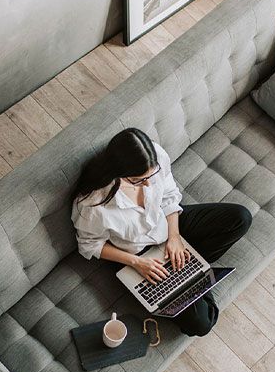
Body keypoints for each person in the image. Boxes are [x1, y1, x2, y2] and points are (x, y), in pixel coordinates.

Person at [71, 127, 252, 337]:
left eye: (151, 175)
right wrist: (136, 263)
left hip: (168, 225)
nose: (147, 183)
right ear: (118, 172)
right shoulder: (93, 204)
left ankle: (187, 268)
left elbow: (168, 195)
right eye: (139, 180)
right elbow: (89, 245)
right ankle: (189, 272)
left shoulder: (154, 156)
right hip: (137, 253)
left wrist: (174, 237)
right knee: (203, 323)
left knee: (240, 218)